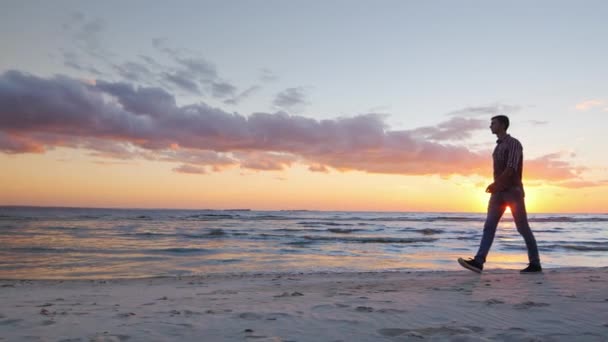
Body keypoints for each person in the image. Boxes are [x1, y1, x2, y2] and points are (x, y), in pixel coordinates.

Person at [458, 115, 542, 273]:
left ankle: (535, 263)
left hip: (512, 192)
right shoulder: (497, 146)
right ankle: (478, 261)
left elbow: (511, 168)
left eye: (493, 123)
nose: (490, 126)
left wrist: (496, 184)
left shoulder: (514, 144)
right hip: (498, 193)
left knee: (522, 228)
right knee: (489, 226)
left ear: (502, 125)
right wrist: (496, 186)